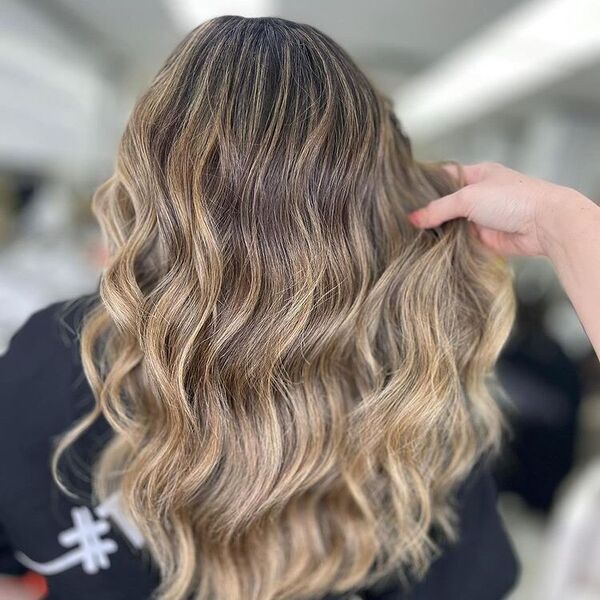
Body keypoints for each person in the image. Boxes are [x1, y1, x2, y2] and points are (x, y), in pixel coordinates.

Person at [0, 15, 597, 600]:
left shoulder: (53, 353)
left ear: (148, 181)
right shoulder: (410, 391)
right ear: (373, 198)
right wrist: (570, 225)